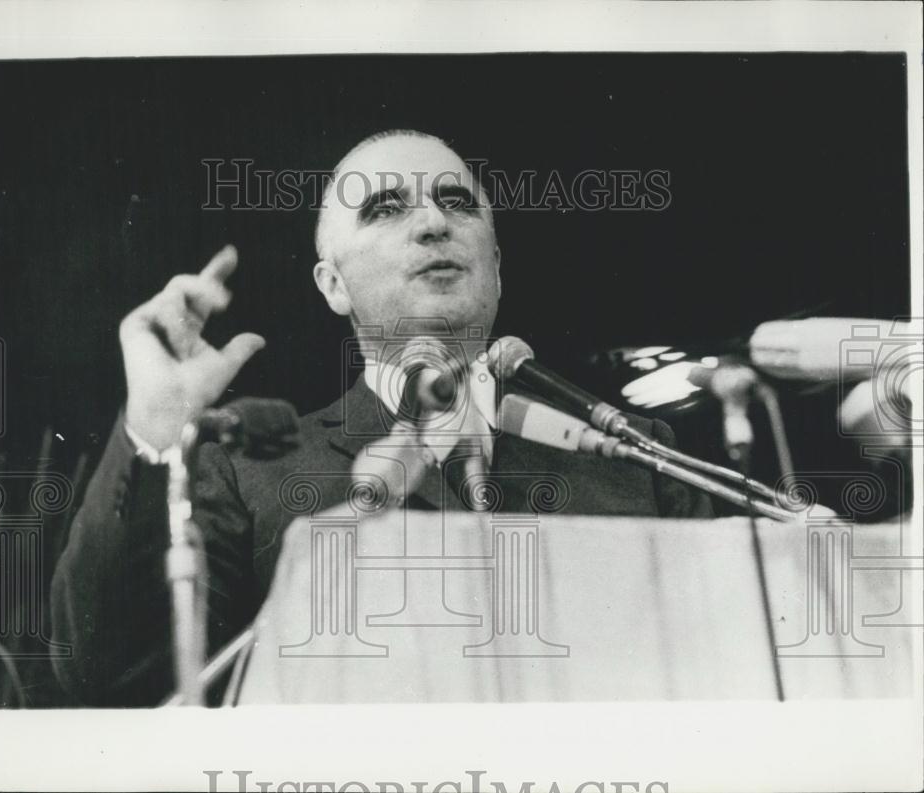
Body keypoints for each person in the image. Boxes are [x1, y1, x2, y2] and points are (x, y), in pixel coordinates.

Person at [50, 129, 711, 706]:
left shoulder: (637, 457)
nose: (433, 225)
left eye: (456, 202)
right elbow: (107, 672)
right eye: (385, 208)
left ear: (499, 271)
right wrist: (155, 426)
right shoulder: (251, 467)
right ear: (333, 285)